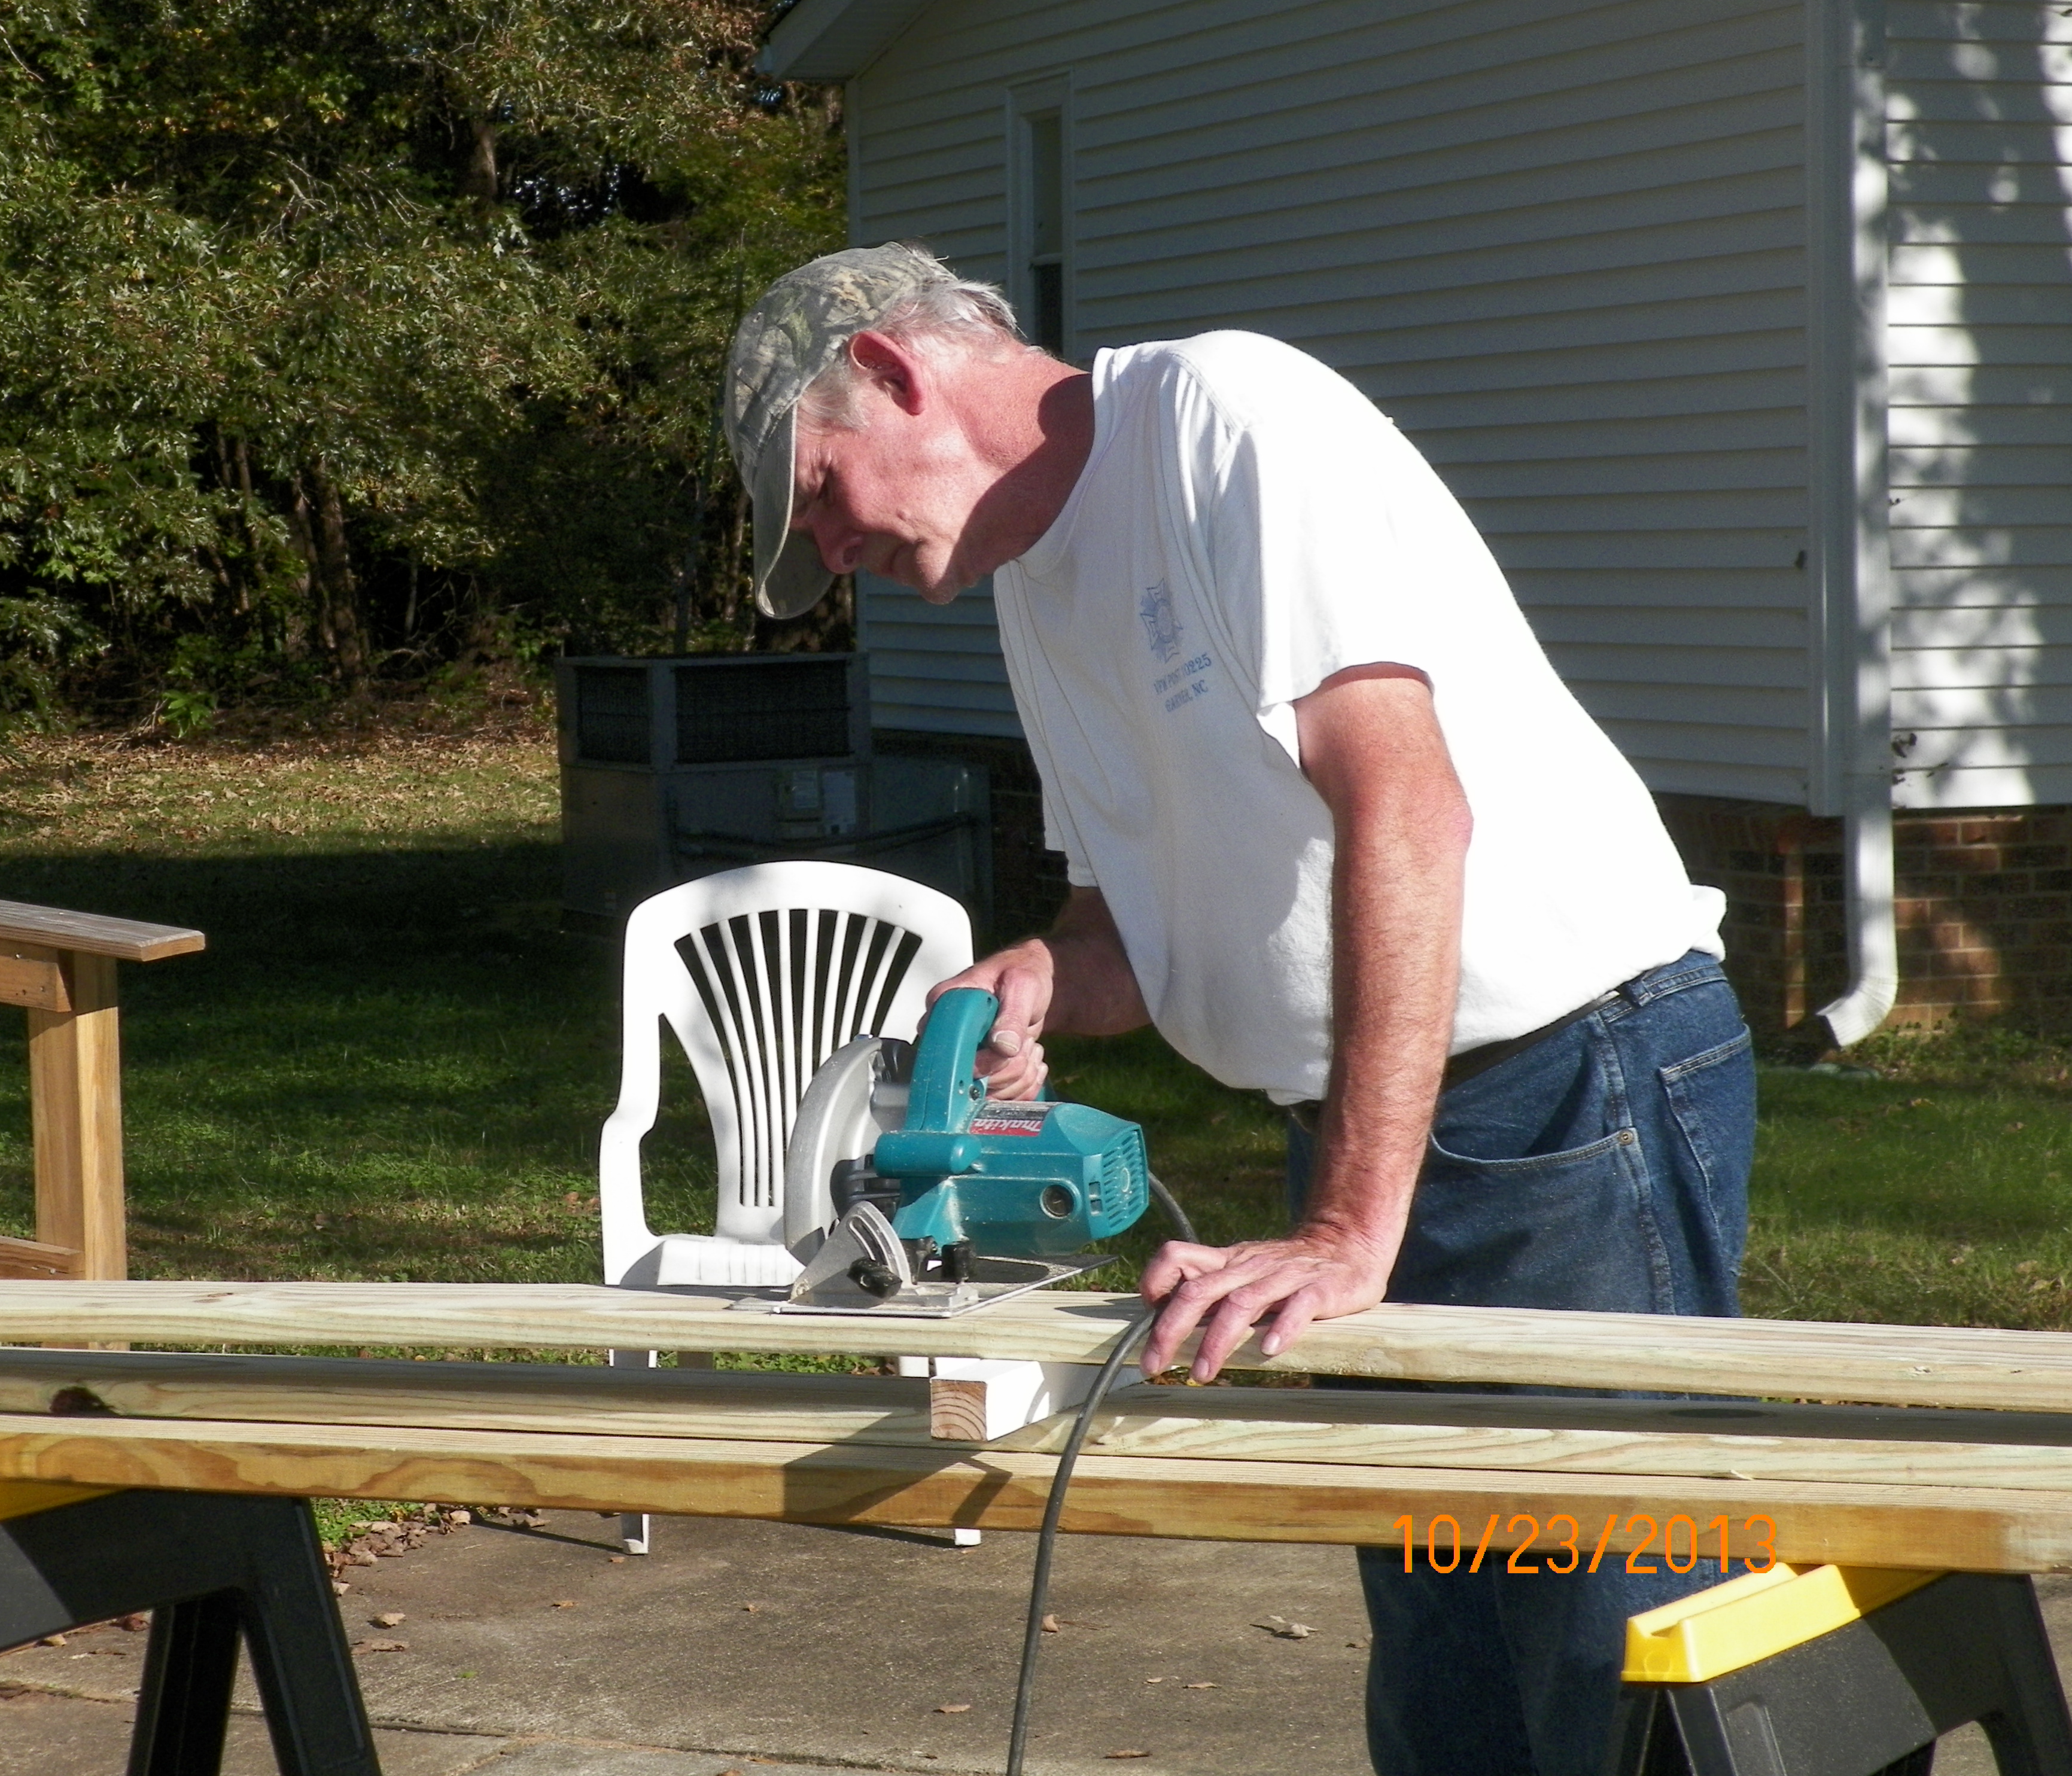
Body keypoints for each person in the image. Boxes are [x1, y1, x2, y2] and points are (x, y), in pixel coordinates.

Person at [720, 242, 1755, 1776]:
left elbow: (1406, 807)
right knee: (1446, 1670)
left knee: (1617, 1653)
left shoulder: (1221, 418)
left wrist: (1348, 1227)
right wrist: (1040, 977)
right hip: (1378, 1132)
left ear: (888, 371)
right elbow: (1126, 924)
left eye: (816, 492)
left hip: (1566, 1096)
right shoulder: (1028, 587)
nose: (834, 547)